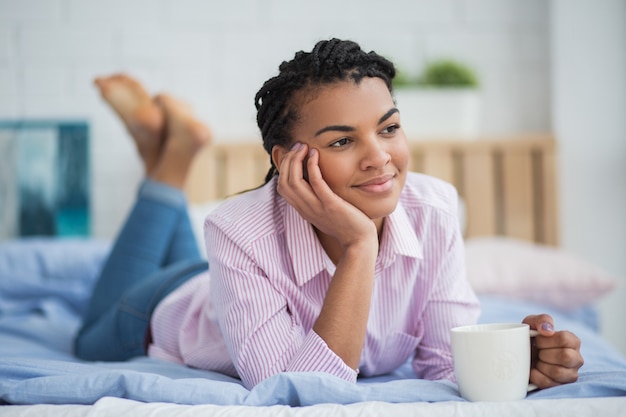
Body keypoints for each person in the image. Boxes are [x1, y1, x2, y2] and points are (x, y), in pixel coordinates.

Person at [74, 38, 584, 391]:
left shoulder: (435, 210)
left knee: (188, 256)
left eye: (389, 128)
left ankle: (160, 151)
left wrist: (516, 364)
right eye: (342, 140)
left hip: (224, 284)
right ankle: (171, 161)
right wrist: (361, 246)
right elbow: (298, 392)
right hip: (165, 307)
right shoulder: (234, 229)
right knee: (86, 336)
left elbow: (443, 364)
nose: (379, 157)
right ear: (286, 160)